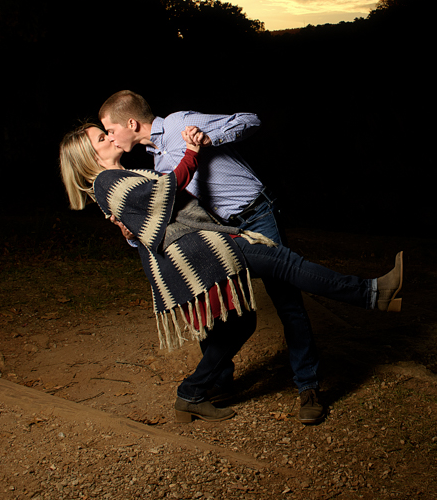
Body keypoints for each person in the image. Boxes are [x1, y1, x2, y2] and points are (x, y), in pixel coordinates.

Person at [59, 123, 403, 425]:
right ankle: (373, 293)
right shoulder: (106, 180)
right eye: (102, 137)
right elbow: (163, 194)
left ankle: (191, 394)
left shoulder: (116, 178)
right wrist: (191, 153)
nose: (110, 138)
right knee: (285, 264)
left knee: (242, 322)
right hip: (198, 248)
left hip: (205, 246)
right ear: (88, 154)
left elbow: (143, 221)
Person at [97, 91, 326, 423]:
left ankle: (308, 387)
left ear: (130, 123)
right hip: (220, 233)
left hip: (256, 216)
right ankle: (218, 382)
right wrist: (133, 236)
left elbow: (249, 120)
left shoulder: (180, 124)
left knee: (286, 298)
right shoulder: (159, 162)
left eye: (110, 129)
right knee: (209, 302)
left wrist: (209, 137)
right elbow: (164, 219)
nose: (111, 137)